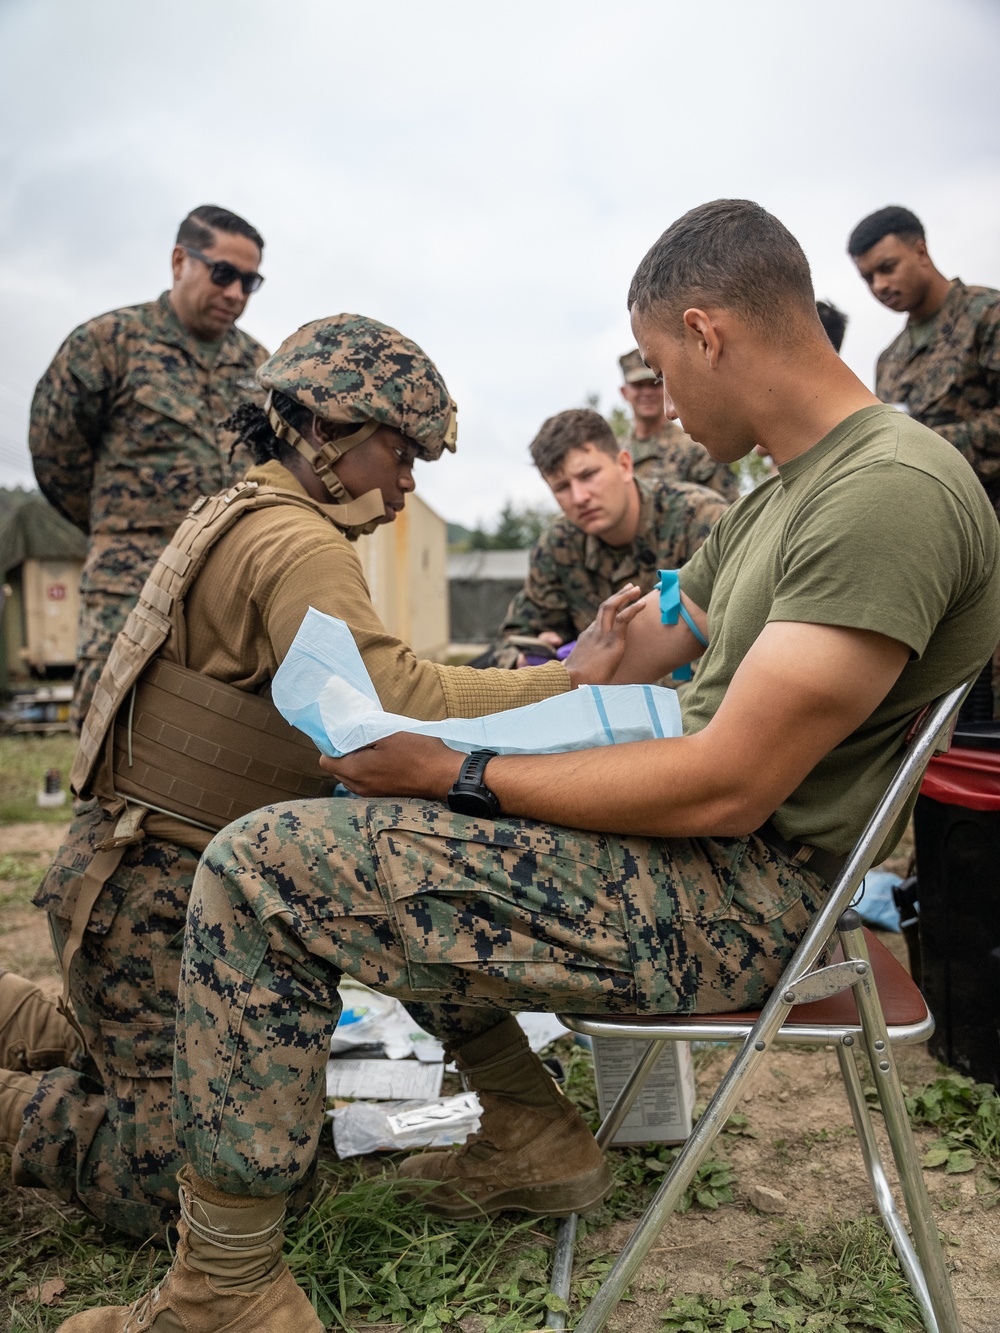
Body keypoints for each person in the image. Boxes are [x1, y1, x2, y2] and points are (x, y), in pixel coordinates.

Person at [57, 200, 1000, 1333]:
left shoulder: (884, 491)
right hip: (699, 857)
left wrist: (454, 772)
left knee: (267, 867)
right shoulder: (788, 497)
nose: (652, 399)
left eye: (655, 365)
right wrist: (580, 658)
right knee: (369, 835)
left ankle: (220, 1297)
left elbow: (727, 783)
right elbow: (649, 632)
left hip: (746, 894)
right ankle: (527, 1129)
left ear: (704, 333)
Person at [0, 314, 616, 1245]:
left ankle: (529, 1119)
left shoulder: (244, 509)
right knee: (171, 1185)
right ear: (325, 433)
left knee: (393, 869)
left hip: (163, 881)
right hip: (154, 903)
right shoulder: (296, 543)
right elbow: (392, 699)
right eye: (398, 451)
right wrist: (575, 678)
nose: (408, 480)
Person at [29, 204, 270, 725]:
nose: (235, 294)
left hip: (224, 592)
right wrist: (121, 529)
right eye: (224, 274)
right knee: (109, 741)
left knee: (217, 742)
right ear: (180, 260)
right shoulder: (108, 344)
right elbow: (55, 454)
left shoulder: (259, 367)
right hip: (130, 583)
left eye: (250, 282)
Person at [488, 407, 726, 667]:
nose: (579, 497)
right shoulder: (560, 546)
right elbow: (510, 641)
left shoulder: (700, 519)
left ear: (624, 465)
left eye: (588, 475)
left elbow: (738, 637)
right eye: (562, 487)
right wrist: (524, 659)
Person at [848, 205, 1000, 512]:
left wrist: (924, 445)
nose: (879, 285)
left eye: (887, 268)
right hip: (937, 528)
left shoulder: (988, 316)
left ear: (920, 252)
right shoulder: (890, 360)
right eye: (868, 278)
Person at [619, 347, 739, 501]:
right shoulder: (616, 453)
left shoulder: (698, 451)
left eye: (654, 383)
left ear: (667, 387)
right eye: (638, 385)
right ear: (624, 392)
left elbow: (727, 512)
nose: (647, 392)